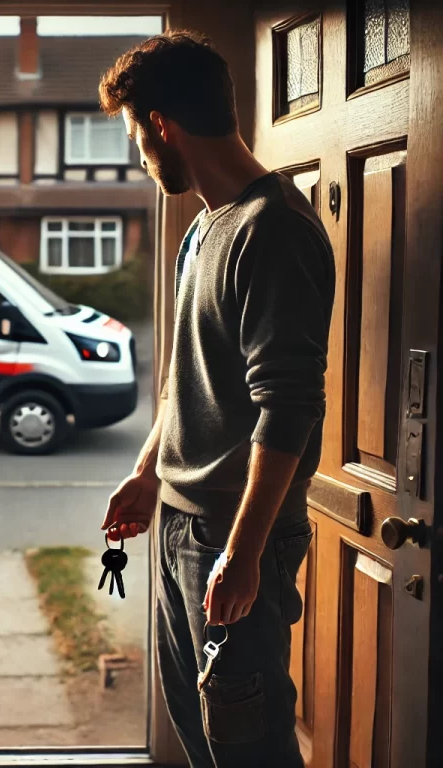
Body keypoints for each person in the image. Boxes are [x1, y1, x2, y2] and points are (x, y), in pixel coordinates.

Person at [98, 30, 335, 768]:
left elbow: (288, 406)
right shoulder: (202, 229)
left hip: (232, 538)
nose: (140, 153)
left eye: (138, 135)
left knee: (249, 748)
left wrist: (244, 550)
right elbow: (185, 376)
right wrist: (147, 472)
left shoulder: (274, 231)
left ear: (163, 124)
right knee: (201, 734)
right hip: (181, 524)